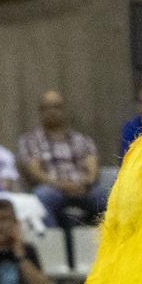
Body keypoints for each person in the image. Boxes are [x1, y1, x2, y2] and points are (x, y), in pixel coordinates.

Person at [17, 90, 107, 222]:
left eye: (57, 107)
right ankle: (53, 241)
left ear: (64, 110)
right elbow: (35, 172)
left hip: (84, 189)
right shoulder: (30, 140)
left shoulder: (82, 140)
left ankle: (104, 240)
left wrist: (84, 183)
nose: (52, 111)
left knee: (105, 196)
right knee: (41, 196)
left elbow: (93, 169)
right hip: (53, 189)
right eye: (48, 107)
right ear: (41, 111)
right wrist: (62, 185)